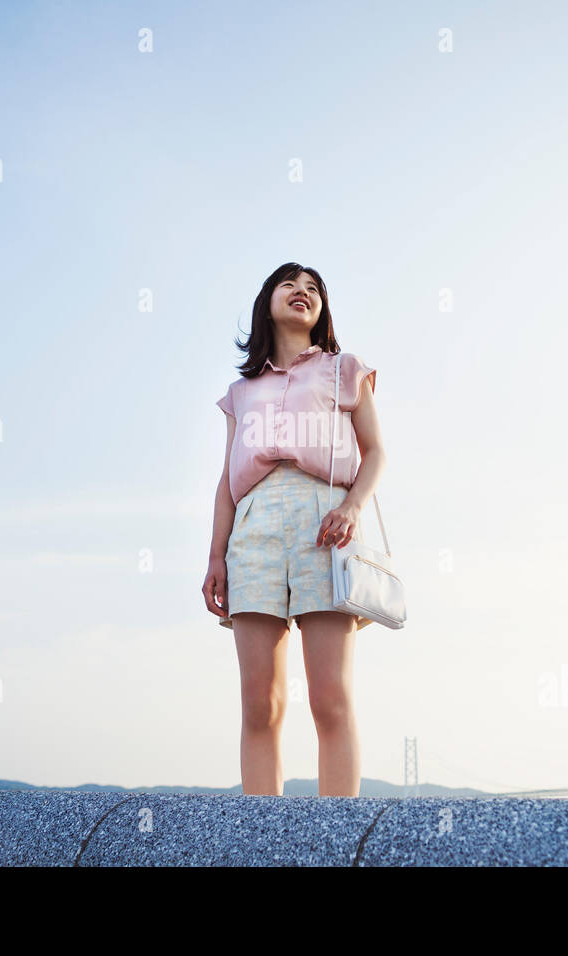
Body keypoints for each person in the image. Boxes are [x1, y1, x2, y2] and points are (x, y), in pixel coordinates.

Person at [202, 262, 386, 797]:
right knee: (260, 703)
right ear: (268, 303)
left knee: (329, 696)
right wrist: (216, 557)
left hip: (325, 523)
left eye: (313, 290)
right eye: (290, 285)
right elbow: (226, 480)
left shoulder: (344, 370)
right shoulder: (241, 392)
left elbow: (375, 452)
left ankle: (336, 837)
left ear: (322, 310)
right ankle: (264, 840)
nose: (302, 293)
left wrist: (352, 507)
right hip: (252, 529)